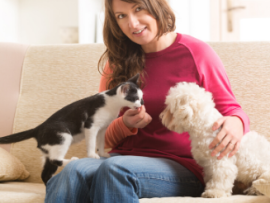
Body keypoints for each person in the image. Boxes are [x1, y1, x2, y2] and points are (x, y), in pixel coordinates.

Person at [45, 0, 250, 202]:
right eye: (121, 16)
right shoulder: (116, 63)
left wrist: (237, 122)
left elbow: (232, 110)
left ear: (157, 5)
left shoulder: (197, 53)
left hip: (182, 165)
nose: (132, 23)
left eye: (138, 8)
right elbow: (101, 137)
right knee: (72, 170)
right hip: (122, 158)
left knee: (116, 170)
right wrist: (124, 124)